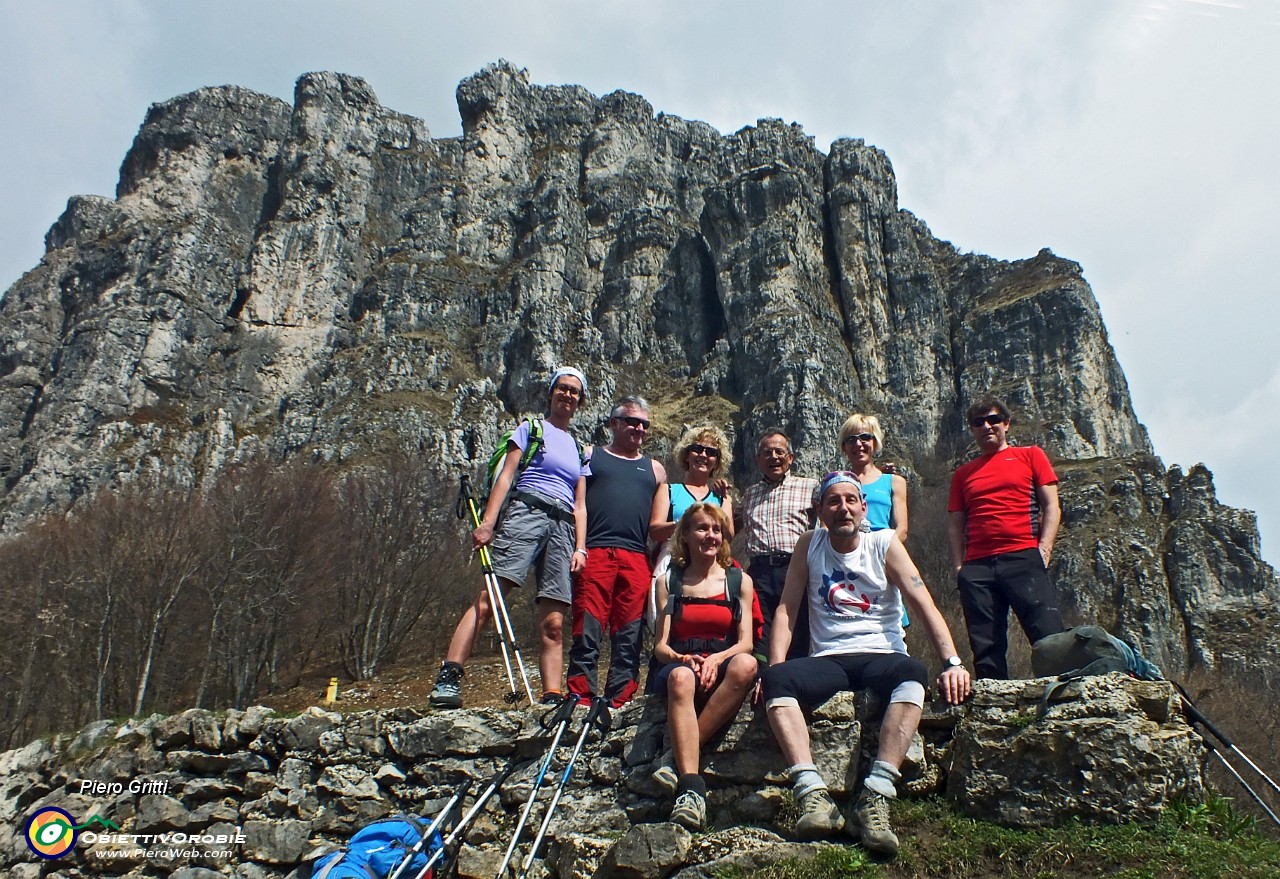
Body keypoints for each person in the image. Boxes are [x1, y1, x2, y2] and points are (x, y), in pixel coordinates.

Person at [762, 472, 971, 856]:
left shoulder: (884, 542)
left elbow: (922, 602)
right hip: (830, 658)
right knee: (778, 681)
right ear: (820, 511)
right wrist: (775, 664)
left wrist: (952, 661)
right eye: (833, 501)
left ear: (862, 506)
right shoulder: (809, 544)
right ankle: (812, 795)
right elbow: (787, 610)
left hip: (881, 653)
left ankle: (875, 796)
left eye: (850, 500)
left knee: (913, 673)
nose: (843, 508)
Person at [429, 367, 589, 709]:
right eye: (562, 388)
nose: (567, 395)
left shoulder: (579, 449)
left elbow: (580, 504)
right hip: (526, 512)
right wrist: (488, 522)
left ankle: (551, 696)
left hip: (563, 527)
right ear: (551, 393)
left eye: (574, 391)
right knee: (491, 600)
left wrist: (581, 547)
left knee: (555, 621)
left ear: (581, 401)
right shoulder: (531, 429)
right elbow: (507, 475)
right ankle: (449, 676)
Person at [646, 503, 758, 830]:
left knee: (747, 666)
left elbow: (745, 642)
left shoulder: (739, 581)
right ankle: (691, 791)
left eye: (715, 529)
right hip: (682, 663)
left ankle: (673, 758)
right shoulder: (669, 582)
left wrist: (716, 659)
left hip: (721, 659)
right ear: (685, 536)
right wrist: (683, 659)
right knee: (680, 678)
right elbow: (661, 646)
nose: (709, 535)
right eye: (701, 528)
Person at [947, 396, 1064, 680]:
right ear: (972, 430)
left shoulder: (1031, 455)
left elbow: (1052, 505)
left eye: (993, 420)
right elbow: (954, 524)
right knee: (985, 645)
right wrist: (960, 569)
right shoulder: (963, 474)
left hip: (1023, 556)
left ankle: (1062, 692)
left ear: (1006, 424)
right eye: (978, 423)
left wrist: (1044, 550)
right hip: (977, 566)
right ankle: (992, 703)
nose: (987, 426)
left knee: (1047, 634)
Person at [567, 396, 668, 707]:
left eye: (644, 424)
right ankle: (580, 695)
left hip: (637, 556)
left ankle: (620, 698)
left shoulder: (655, 469)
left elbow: (657, 525)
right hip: (595, 551)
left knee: (629, 631)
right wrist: (579, 547)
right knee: (588, 624)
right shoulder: (589, 456)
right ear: (614, 423)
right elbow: (578, 505)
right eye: (631, 421)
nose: (639, 428)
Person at [737, 430, 819, 659]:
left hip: (795, 568)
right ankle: (763, 680)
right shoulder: (749, 495)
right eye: (767, 452)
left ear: (790, 457)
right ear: (757, 460)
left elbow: (837, 502)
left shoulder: (810, 487)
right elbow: (727, 527)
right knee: (759, 630)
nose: (773, 456)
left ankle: (795, 682)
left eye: (779, 451)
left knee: (797, 628)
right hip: (759, 572)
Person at [839, 413, 910, 627]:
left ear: (875, 442)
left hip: (882, 561)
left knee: (888, 623)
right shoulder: (838, 483)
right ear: (844, 447)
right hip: (846, 564)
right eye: (851, 439)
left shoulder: (894, 482)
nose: (858, 444)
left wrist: (879, 555)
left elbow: (902, 528)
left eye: (864, 437)